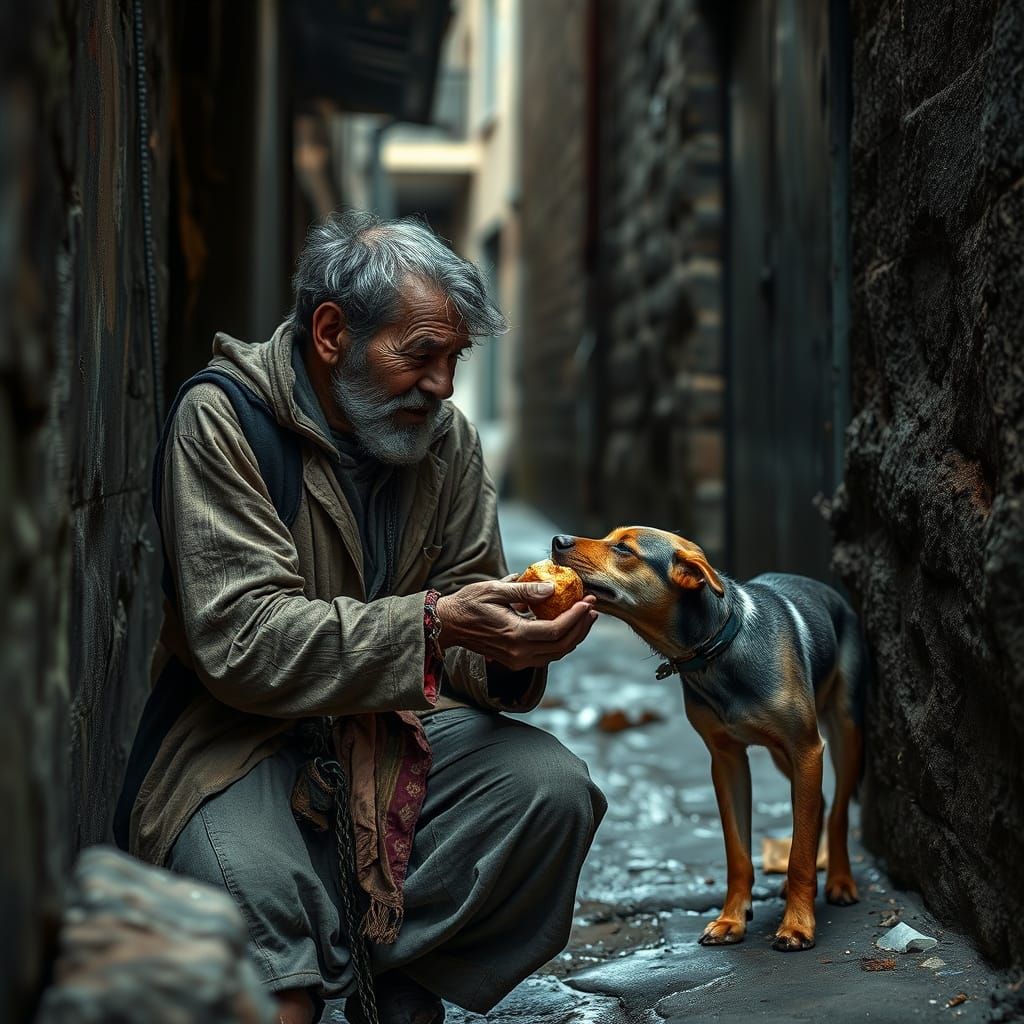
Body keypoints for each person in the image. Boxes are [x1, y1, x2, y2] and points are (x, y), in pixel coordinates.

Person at [120, 209, 606, 1024]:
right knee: (279, 991)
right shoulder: (222, 421)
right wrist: (433, 624)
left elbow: (465, 621)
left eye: (455, 359)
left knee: (551, 793)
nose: (443, 387)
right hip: (239, 746)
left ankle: (400, 964)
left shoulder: (445, 443)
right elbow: (244, 644)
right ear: (332, 332)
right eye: (420, 356)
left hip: (387, 735)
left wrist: (511, 650)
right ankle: (329, 960)